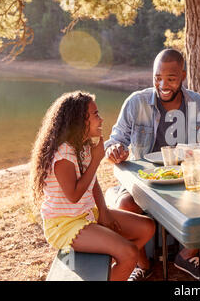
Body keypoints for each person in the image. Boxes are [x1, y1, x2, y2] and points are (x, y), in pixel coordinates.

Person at [104, 48, 200, 280]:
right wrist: (114, 150)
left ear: (183, 76)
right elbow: (115, 140)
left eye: (171, 78)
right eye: (158, 78)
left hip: (184, 179)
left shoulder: (197, 103)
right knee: (125, 205)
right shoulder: (136, 103)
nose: (163, 84)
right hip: (143, 181)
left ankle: (187, 255)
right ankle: (142, 265)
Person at [30, 91, 155, 281]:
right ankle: (122, 265)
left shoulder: (84, 145)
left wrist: (103, 211)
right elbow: (73, 195)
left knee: (147, 227)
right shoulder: (63, 154)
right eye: (96, 114)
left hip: (88, 214)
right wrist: (97, 159)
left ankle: (115, 270)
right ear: (79, 120)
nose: (102, 119)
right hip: (65, 224)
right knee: (129, 253)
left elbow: (92, 182)